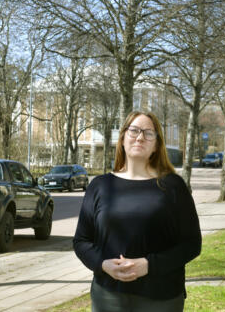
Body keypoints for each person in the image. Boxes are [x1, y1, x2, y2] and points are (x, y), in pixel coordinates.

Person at [73, 111, 202, 312]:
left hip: (162, 298)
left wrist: (149, 265)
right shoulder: (100, 186)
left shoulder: (173, 186)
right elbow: (81, 241)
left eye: (148, 133)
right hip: (108, 296)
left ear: (156, 145)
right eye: (134, 131)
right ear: (122, 138)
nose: (140, 137)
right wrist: (103, 264)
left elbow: (192, 244)